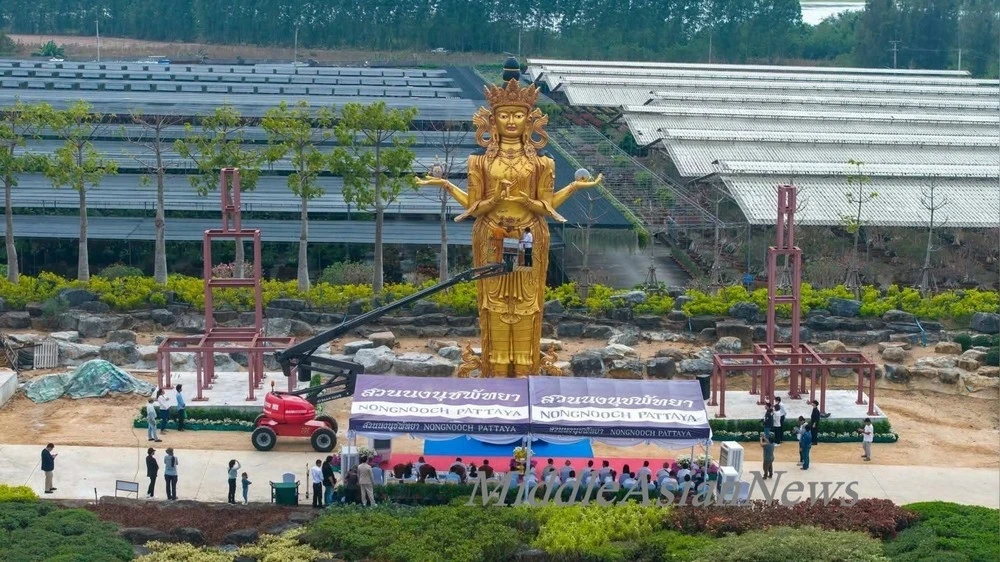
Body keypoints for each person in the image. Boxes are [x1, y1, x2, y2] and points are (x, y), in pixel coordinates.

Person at [416, 77, 603, 377]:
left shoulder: (543, 164)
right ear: (493, 121)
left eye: (518, 115)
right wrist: (451, 186)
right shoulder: (479, 162)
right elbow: (474, 206)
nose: (511, 121)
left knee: (526, 304)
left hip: (528, 236)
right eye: (504, 115)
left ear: (529, 121)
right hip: (492, 236)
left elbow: (547, 206)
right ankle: (497, 371)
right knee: (495, 305)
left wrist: (569, 188)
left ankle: (526, 372)